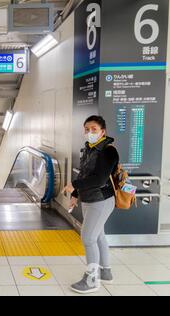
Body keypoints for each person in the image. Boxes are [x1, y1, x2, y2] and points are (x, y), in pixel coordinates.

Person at [62, 115, 119, 294]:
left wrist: (74, 185)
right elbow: (83, 175)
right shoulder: (88, 149)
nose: (90, 132)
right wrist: (76, 194)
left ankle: (92, 279)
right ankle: (105, 272)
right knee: (98, 236)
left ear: (103, 132)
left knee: (88, 238)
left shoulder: (108, 151)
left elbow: (99, 179)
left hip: (101, 200)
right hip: (89, 200)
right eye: (87, 129)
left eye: (94, 129)